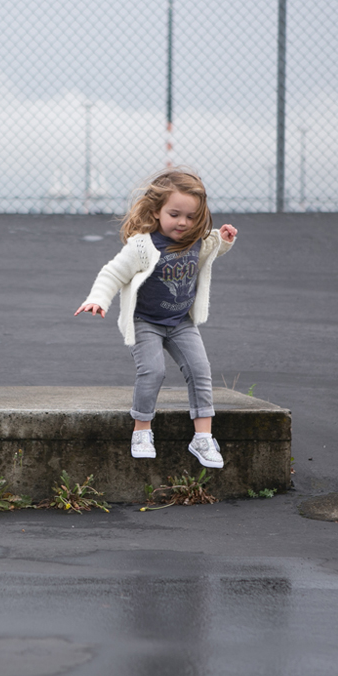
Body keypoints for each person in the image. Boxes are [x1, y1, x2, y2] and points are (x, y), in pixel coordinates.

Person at [74, 168, 238, 468]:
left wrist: (224, 241)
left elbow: (209, 251)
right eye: (175, 214)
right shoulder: (142, 246)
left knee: (200, 370)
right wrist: (97, 298)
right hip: (144, 321)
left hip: (180, 322)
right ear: (156, 211)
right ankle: (142, 430)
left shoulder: (195, 239)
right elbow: (113, 272)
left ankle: (202, 438)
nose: (183, 223)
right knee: (153, 371)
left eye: (191, 217)